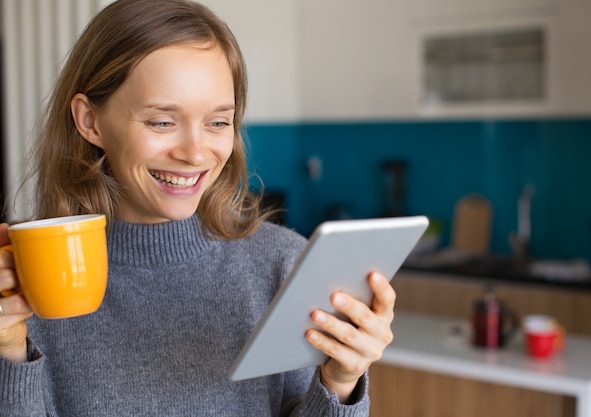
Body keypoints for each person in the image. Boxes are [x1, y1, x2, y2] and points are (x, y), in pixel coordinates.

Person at [0, 0, 396, 416]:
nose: (195, 153)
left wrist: (340, 384)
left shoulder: (281, 264)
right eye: (162, 121)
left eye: (218, 122)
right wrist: (8, 350)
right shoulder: (26, 280)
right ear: (89, 121)